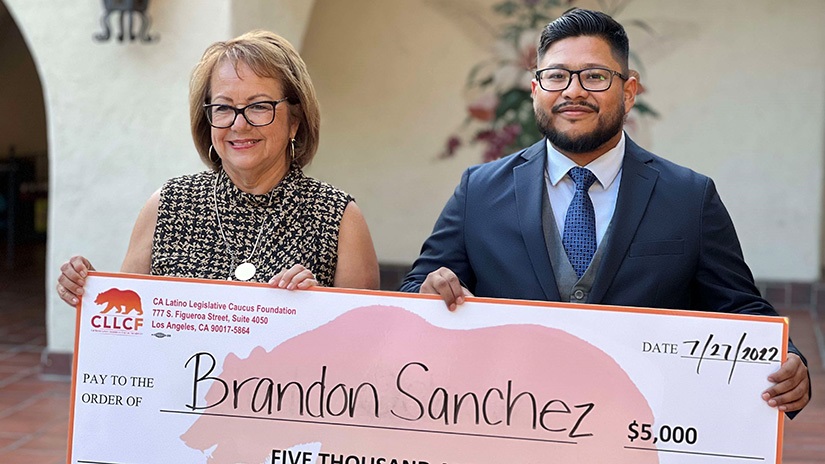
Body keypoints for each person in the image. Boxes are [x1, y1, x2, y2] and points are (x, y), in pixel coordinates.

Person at [400, 9, 810, 414]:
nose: (572, 91)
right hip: (510, 420)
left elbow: (738, 307)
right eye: (556, 75)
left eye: (594, 76)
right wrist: (427, 293)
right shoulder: (480, 190)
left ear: (629, 91)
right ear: (534, 89)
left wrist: (788, 361)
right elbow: (416, 292)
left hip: (640, 428)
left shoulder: (689, 196)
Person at [57, 30, 380, 302]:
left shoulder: (338, 217)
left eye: (258, 106)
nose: (239, 125)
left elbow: (361, 345)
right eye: (224, 108)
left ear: (295, 121)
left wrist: (317, 309)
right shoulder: (168, 205)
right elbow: (129, 310)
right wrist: (87, 291)